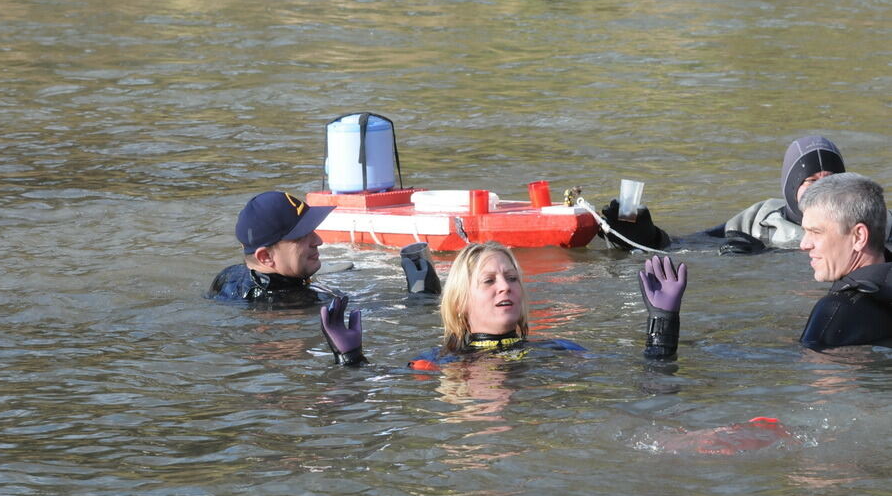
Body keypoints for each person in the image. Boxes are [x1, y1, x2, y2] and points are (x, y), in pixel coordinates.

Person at [320, 242, 688, 366]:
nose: (504, 288)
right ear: (460, 301)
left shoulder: (562, 351)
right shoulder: (433, 363)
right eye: (489, 281)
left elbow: (649, 376)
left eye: (512, 279)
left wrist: (663, 322)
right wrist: (350, 359)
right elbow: (361, 397)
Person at [599, 136, 892, 255]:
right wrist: (647, 237)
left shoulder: (877, 220)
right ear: (791, 189)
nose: (820, 192)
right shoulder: (760, 220)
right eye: (810, 181)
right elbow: (692, 244)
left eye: (831, 181)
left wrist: (767, 255)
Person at [797, 173, 892, 349]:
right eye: (805, 231)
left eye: (816, 232)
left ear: (858, 237)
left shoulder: (835, 311)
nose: (804, 244)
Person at [207, 191, 336, 305]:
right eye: (301, 236)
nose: (319, 241)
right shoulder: (293, 304)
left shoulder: (228, 276)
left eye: (312, 231)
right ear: (266, 257)